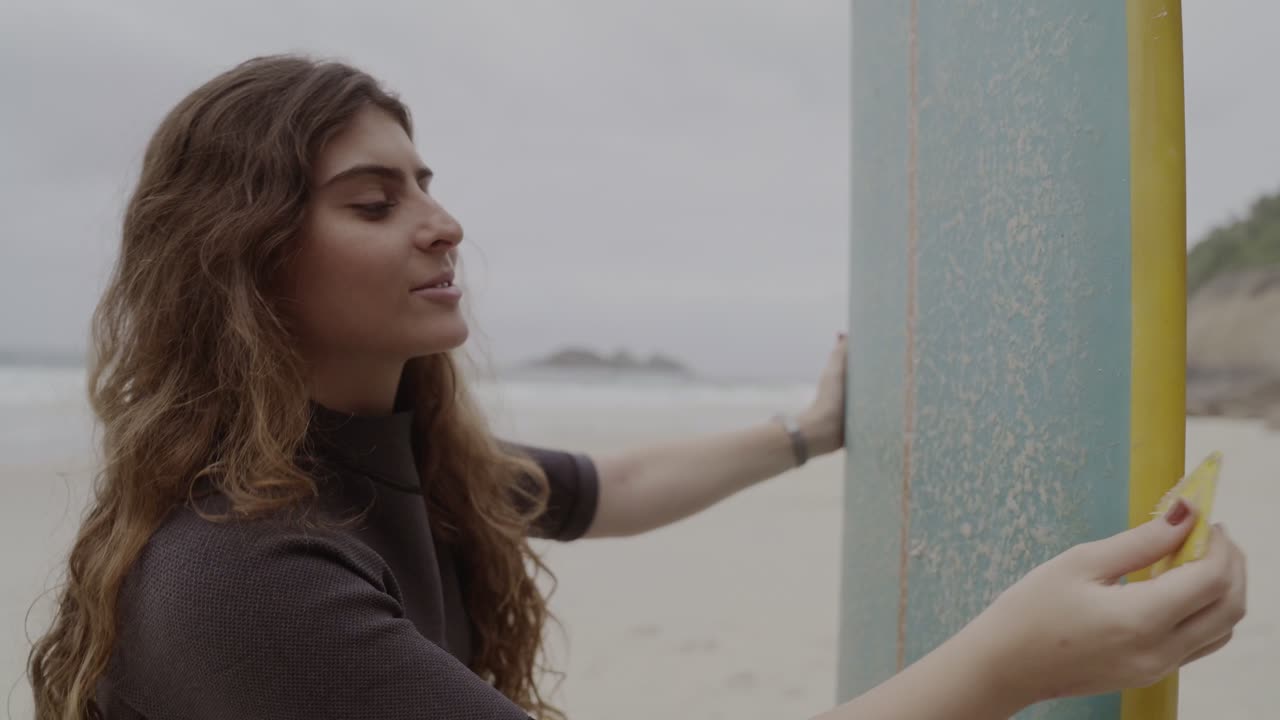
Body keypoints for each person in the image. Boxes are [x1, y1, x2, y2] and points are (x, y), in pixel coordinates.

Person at [27, 55, 1246, 720]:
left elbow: (609, 486)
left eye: (426, 184)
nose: (443, 224)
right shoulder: (242, 575)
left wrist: (808, 431)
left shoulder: (394, 459)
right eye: (373, 201)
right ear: (245, 261)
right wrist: (1012, 663)